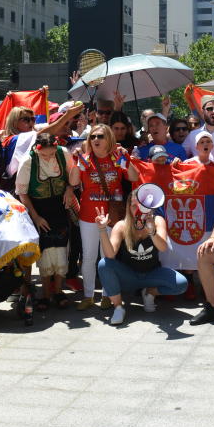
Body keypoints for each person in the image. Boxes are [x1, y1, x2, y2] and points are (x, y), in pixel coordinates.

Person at [95, 189, 188, 325]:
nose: (137, 210)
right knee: (104, 264)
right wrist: (102, 230)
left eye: (141, 206)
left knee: (181, 284)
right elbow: (110, 255)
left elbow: (162, 247)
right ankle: (118, 307)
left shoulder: (157, 220)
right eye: (134, 206)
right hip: (129, 277)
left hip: (152, 274)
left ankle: (150, 293)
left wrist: (151, 231)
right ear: (128, 208)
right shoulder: (121, 226)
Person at [68, 123, 133, 310]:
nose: (96, 139)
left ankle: (107, 294)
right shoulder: (85, 159)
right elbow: (73, 182)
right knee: (88, 256)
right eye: (93, 137)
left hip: (112, 214)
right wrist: (77, 163)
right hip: (88, 215)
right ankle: (88, 296)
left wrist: (126, 160)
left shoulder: (117, 157)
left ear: (109, 139)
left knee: (108, 257)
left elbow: (133, 177)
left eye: (100, 136)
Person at [16, 133, 78, 310]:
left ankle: (58, 291)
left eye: (52, 154)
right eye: (45, 155)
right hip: (39, 210)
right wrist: (35, 217)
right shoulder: (28, 162)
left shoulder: (63, 153)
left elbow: (73, 174)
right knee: (45, 253)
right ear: (37, 148)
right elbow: (22, 193)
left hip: (60, 208)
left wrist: (69, 189)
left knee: (61, 251)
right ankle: (45, 293)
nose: (49, 157)